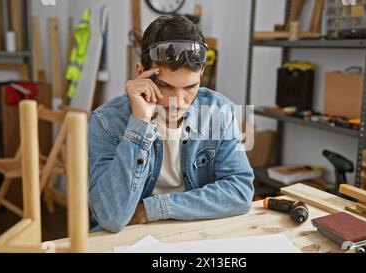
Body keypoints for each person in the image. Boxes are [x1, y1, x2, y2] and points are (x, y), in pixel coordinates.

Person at [88, 15, 254, 233]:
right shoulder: (105, 121)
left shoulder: (219, 111)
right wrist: (139, 122)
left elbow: (240, 192)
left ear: (201, 74)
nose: (179, 101)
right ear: (141, 74)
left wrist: (152, 209)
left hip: (192, 230)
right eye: (165, 86)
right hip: (129, 237)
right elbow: (111, 217)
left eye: (190, 87)